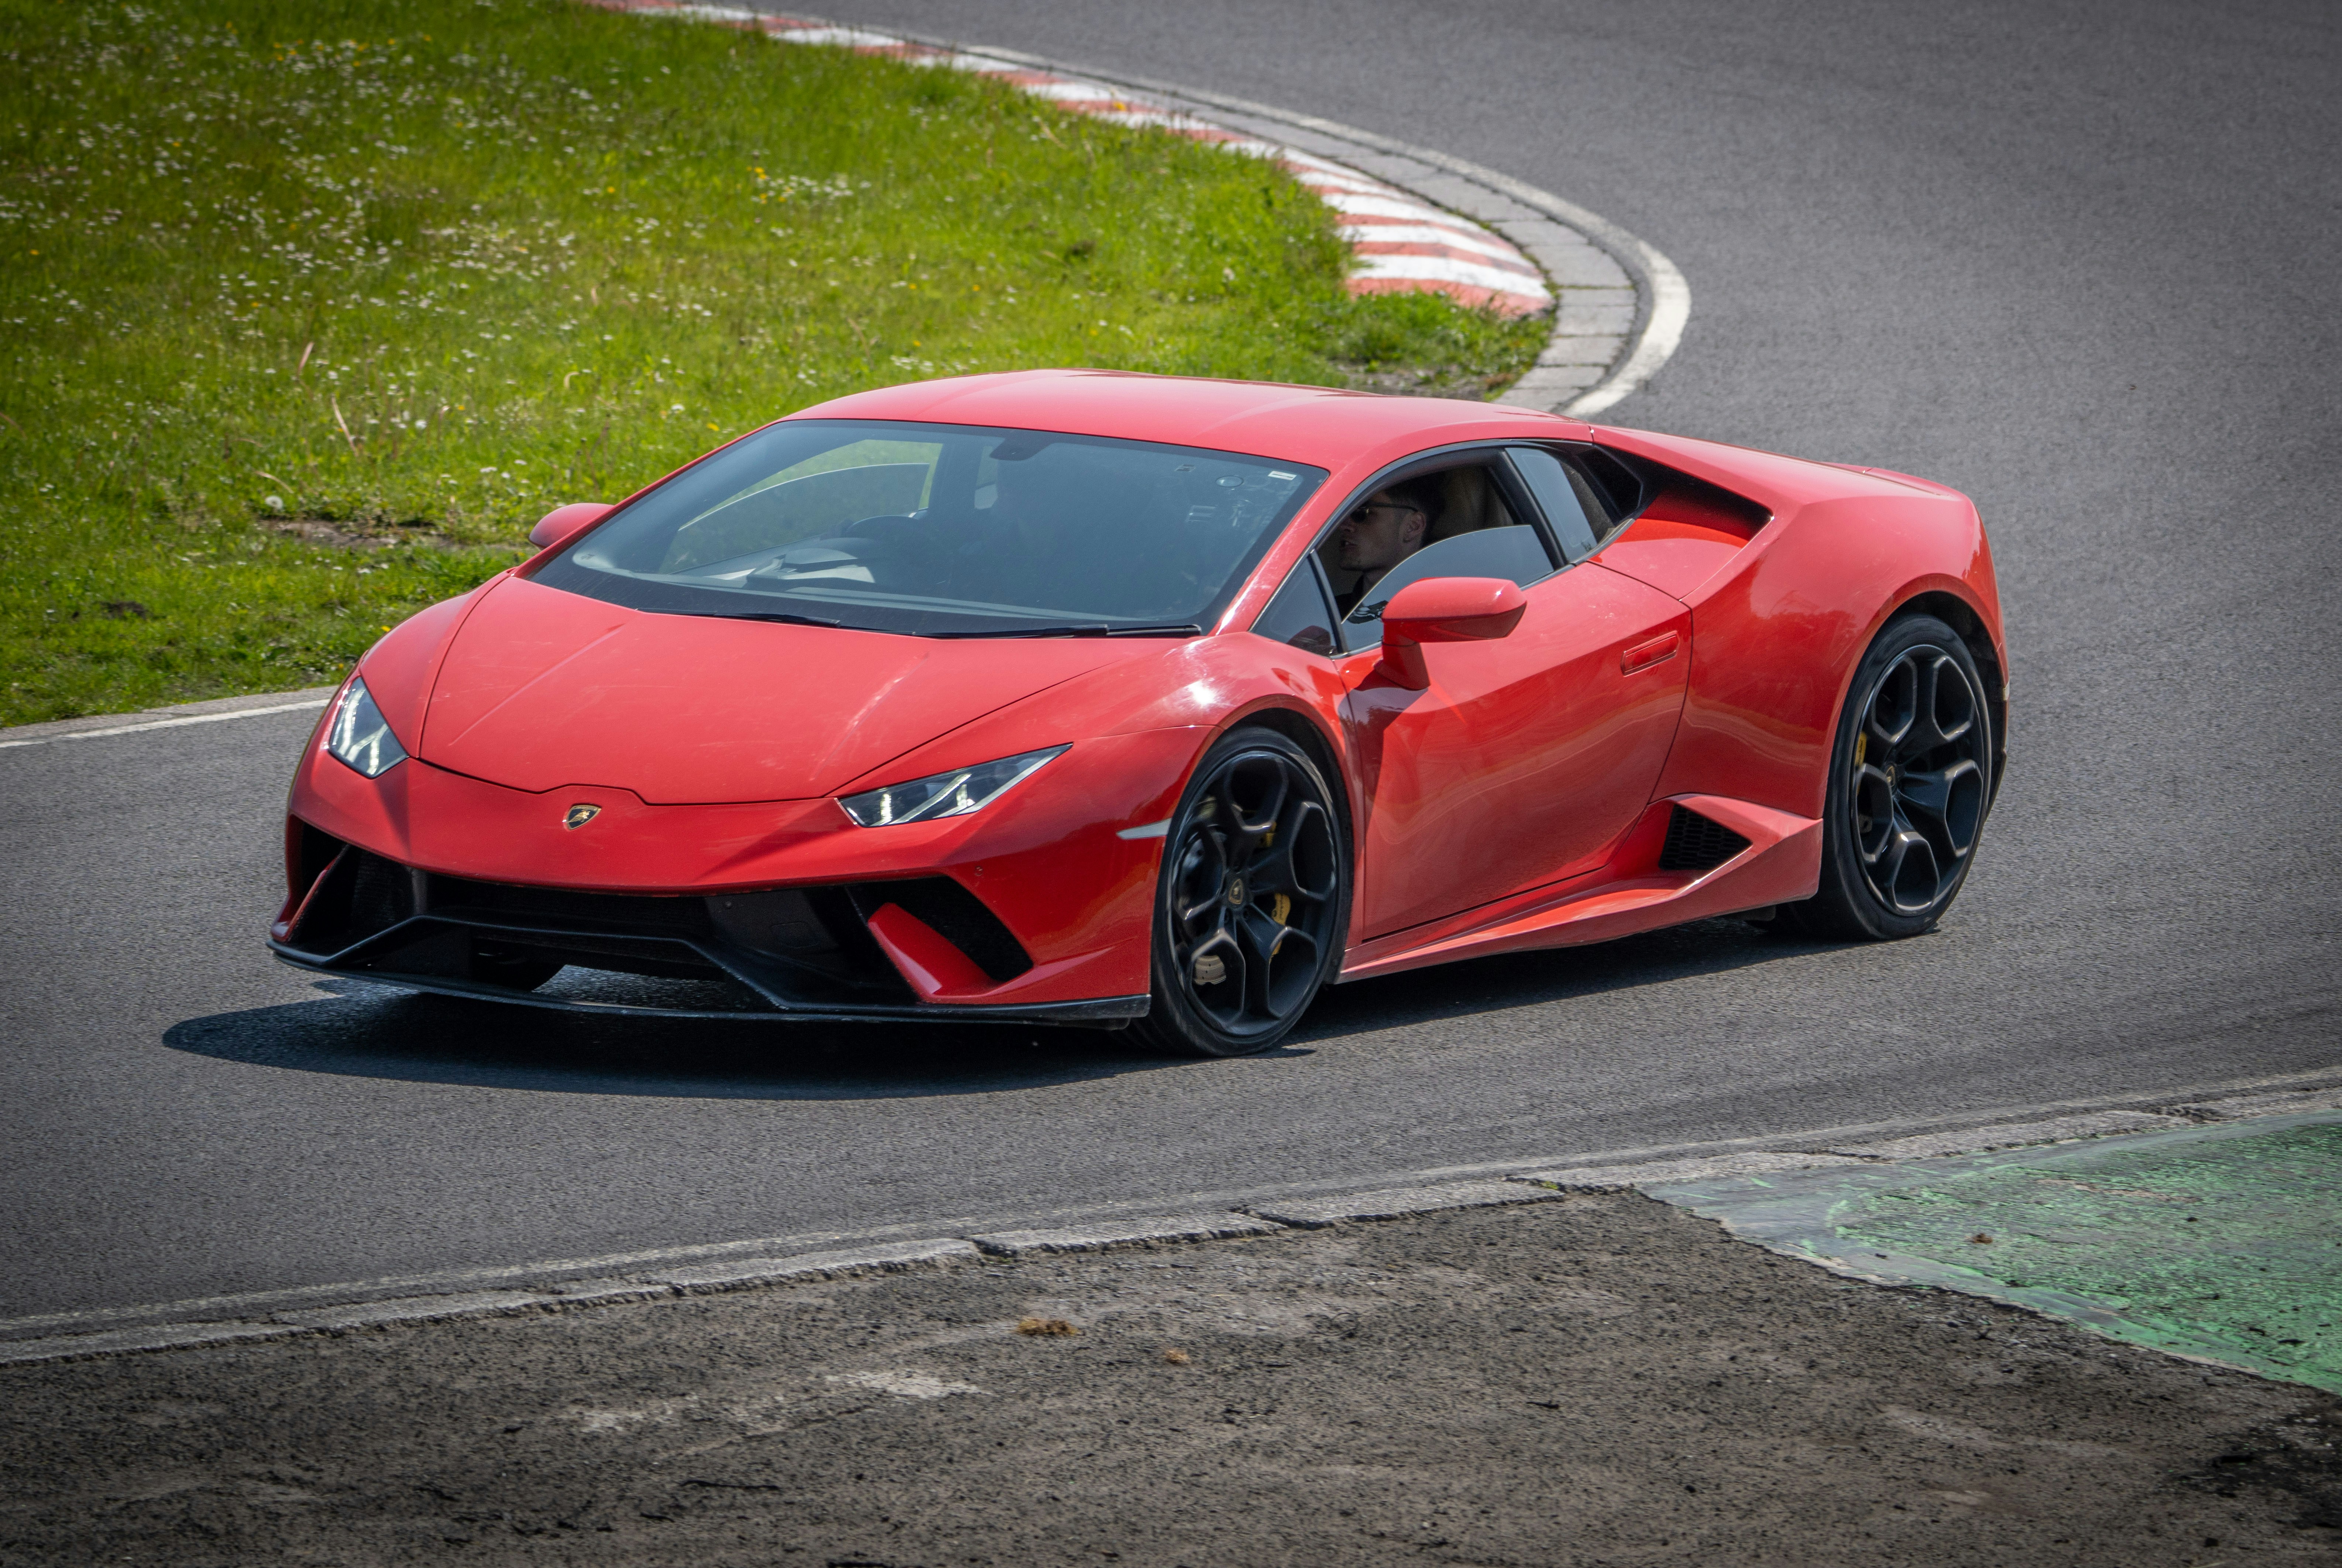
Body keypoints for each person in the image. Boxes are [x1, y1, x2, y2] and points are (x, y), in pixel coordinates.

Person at [1333, 477, 1442, 616]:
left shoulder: (1439, 616)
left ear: (1412, 526)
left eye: (1363, 512)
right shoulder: (1327, 618)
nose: (1343, 525)